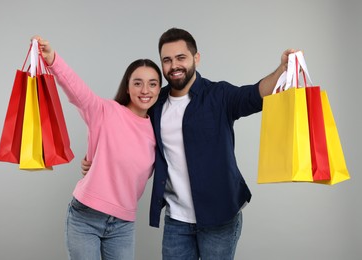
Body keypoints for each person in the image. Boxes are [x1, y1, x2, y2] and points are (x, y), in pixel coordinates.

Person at [81, 28, 296, 260]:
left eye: (180, 57)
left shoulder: (219, 95)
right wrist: (95, 159)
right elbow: (123, 126)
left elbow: (255, 94)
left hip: (220, 217)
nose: (174, 65)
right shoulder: (155, 102)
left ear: (196, 58)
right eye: (167, 60)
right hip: (176, 221)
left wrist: (281, 71)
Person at [33, 36, 162, 260]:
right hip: (86, 218)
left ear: (160, 89)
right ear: (128, 86)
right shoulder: (106, 111)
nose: (145, 90)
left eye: (153, 83)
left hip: (123, 224)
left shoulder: (157, 131)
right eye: (137, 82)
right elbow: (77, 91)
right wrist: (53, 60)